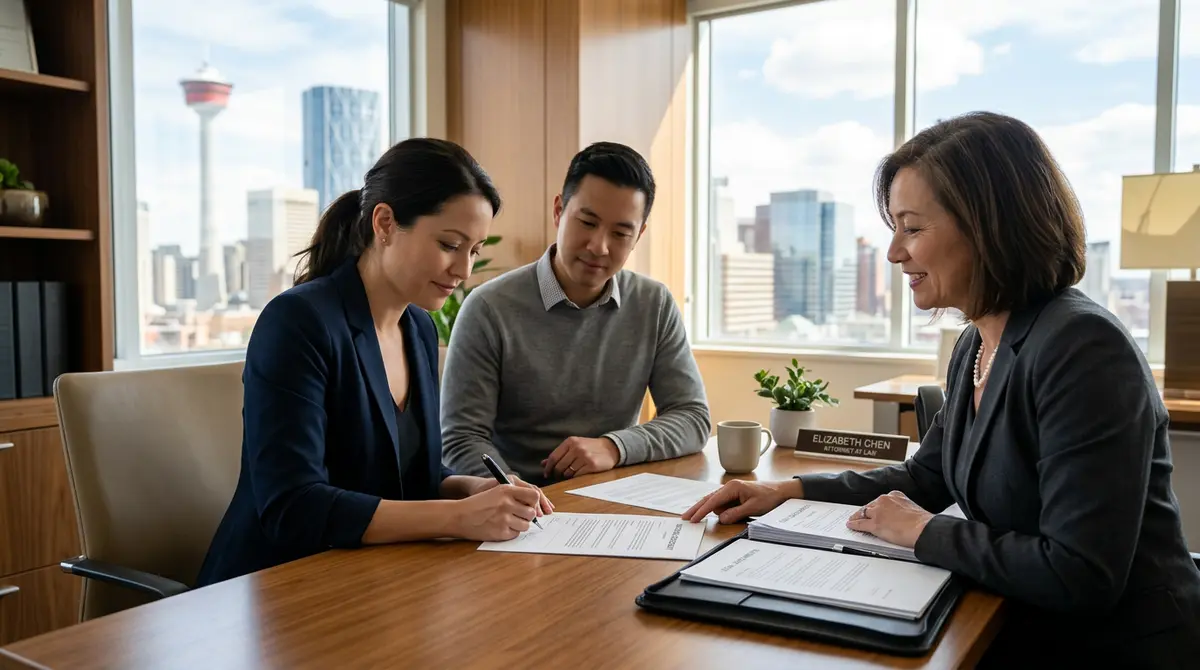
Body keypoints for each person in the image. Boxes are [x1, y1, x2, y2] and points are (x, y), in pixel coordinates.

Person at [682, 112, 1200, 666]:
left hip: (1121, 648)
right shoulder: (975, 345)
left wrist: (925, 531)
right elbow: (926, 475)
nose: (893, 252)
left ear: (989, 226)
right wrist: (790, 492)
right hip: (1017, 619)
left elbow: (1080, 575)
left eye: (912, 227)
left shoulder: (1082, 348)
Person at [196, 138, 553, 587]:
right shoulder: (298, 322)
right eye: (449, 244)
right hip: (274, 589)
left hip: (375, 579)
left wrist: (472, 488)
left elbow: (403, 476)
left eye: (475, 250)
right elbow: (293, 506)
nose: (463, 269)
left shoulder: (419, 329)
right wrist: (457, 518)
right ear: (384, 223)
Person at [440, 141, 710, 486]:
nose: (599, 246)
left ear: (639, 235)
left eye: (620, 233)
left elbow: (692, 417)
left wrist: (614, 447)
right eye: (587, 222)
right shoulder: (488, 308)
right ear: (558, 211)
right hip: (517, 508)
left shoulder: (653, 303)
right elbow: (461, 440)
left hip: (615, 502)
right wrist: (510, 491)